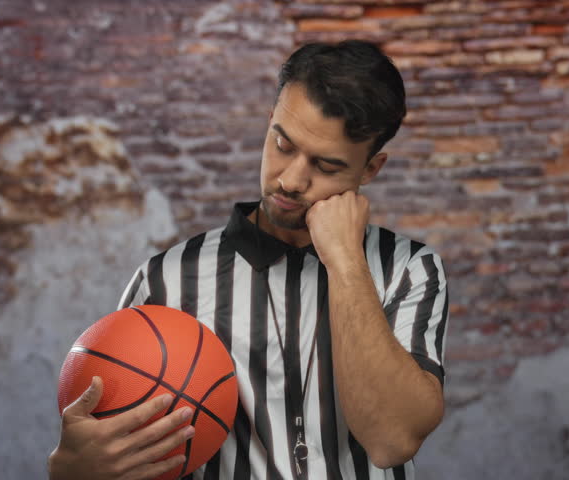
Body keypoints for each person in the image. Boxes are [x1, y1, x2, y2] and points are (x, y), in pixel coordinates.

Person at [49, 40, 449, 480]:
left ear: (371, 169)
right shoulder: (166, 280)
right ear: (270, 121)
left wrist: (345, 262)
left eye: (327, 166)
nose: (291, 179)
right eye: (282, 143)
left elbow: (392, 440)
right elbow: (114, 449)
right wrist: (74, 472)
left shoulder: (409, 269)